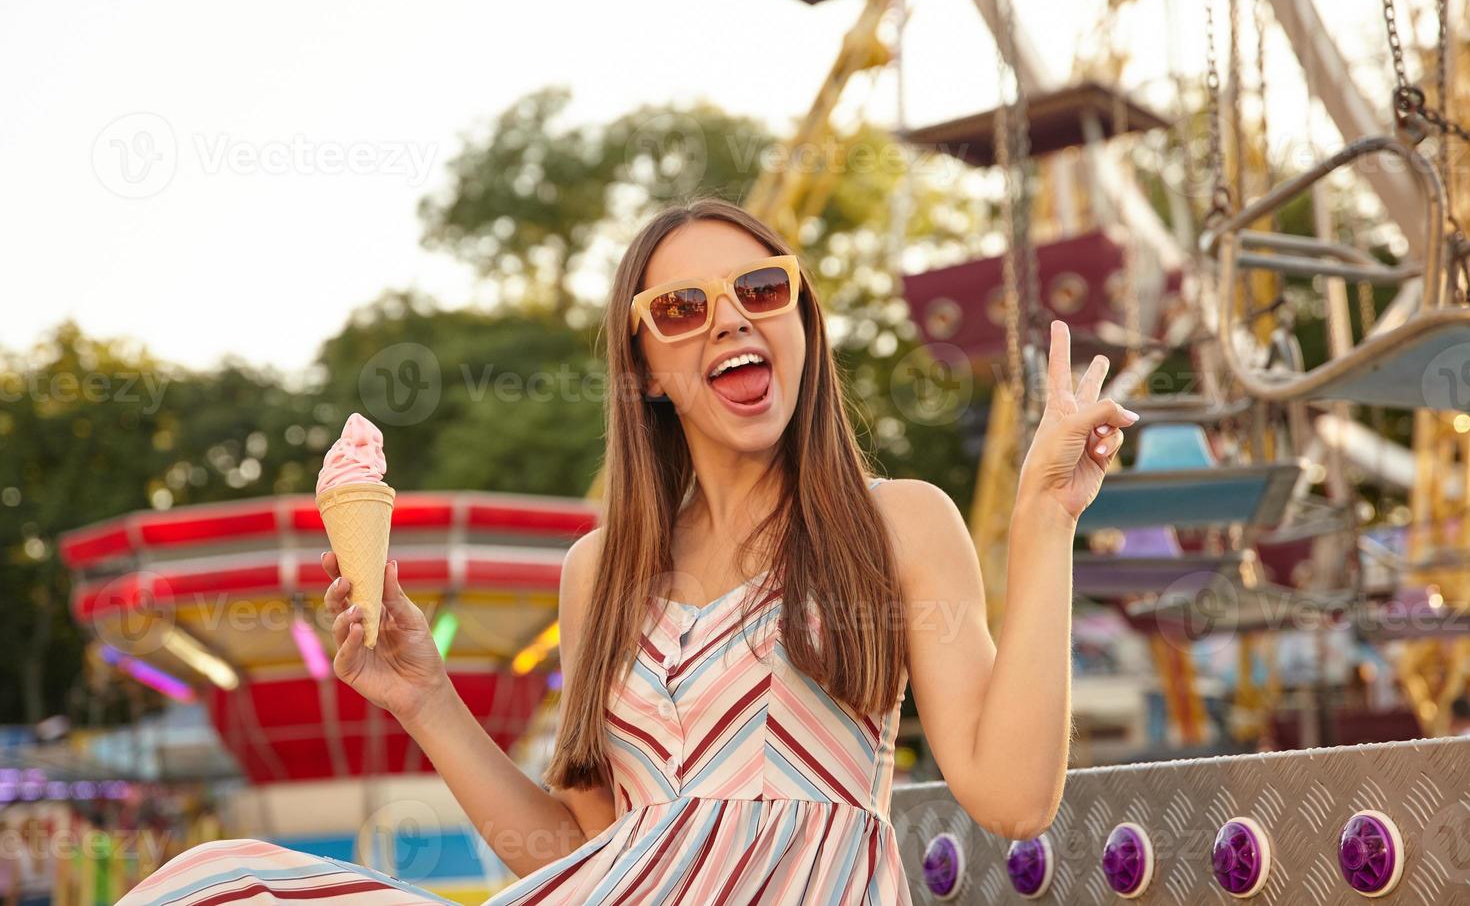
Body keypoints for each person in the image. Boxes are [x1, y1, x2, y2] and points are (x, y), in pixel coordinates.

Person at [120, 197, 1136, 904]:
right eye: (682, 308)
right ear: (645, 366)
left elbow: (1013, 795)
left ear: (801, 321)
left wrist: (1045, 510)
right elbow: (572, 849)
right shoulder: (598, 571)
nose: (729, 315)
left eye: (760, 288)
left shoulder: (898, 521)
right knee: (214, 883)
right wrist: (426, 698)